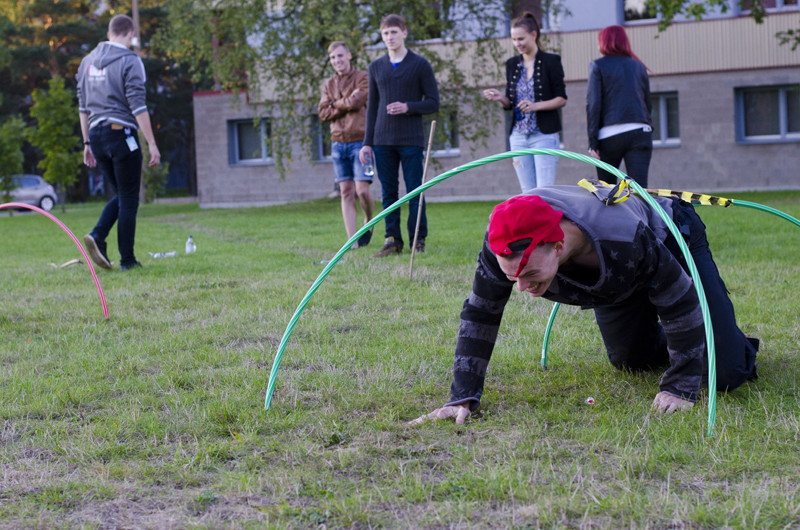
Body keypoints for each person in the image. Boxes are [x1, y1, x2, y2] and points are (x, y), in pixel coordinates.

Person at [410, 186, 758, 425]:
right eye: (512, 277)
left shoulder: (621, 237)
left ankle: (719, 339)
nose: (522, 288)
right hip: (618, 279)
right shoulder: (503, 242)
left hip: (668, 235)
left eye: (530, 274)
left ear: (558, 247)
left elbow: (678, 299)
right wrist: (462, 396)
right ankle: (691, 339)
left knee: (725, 372)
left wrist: (680, 385)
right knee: (630, 359)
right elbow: (481, 313)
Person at [77, 14, 160, 271]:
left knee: (124, 195)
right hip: (121, 134)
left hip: (97, 137)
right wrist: (152, 142)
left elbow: (83, 107)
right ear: (130, 34)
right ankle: (126, 259)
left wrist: (87, 143)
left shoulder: (86, 62)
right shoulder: (130, 60)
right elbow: (138, 105)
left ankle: (98, 237)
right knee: (128, 197)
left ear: (109, 33)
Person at [359, 14, 439, 258]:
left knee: (415, 191)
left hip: (411, 140)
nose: (389, 37)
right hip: (382, 141)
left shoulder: (420, 64)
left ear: (404, 33)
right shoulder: (375, 67)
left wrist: (408, 107)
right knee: (389, 193)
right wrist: (367, 143)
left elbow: (433, 102)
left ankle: (418, 240)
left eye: (394, 32)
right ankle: (392, 240)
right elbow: (372, 107)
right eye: (385, 33)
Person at [483, 12, 567, 192]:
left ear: (533, 35)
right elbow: (510, 103)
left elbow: (561, 99)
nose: (517, 44)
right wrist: (501, 98)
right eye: (514, 40)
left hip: (544, 135)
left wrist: (536, 106)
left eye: (521, 38)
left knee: (544, 190)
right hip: (518, 136)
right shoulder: (512, 64)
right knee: (527, 191)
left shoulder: (551, 61)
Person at [318, 41, 375, 248]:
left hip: (361, 142)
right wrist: (343, 104)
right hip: (337, 143)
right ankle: (352, 241)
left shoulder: (363, 77)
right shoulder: (328, 84)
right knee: (346, 192)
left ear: (349, 55)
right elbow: (323, 113)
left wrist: (334, 104)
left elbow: (356, 102)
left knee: (362, 191)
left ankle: (368, 219)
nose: (337, 61)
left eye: (340, 56)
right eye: (333, 58)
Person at [587, 25, 653, 187]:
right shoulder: (639, 66)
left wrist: (592, 143)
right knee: (639, 191)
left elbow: (593, 105)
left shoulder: (597, 65)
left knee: (607, 191)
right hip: (640, 132)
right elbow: (648, 103)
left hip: (609, 136)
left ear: (603, 43)